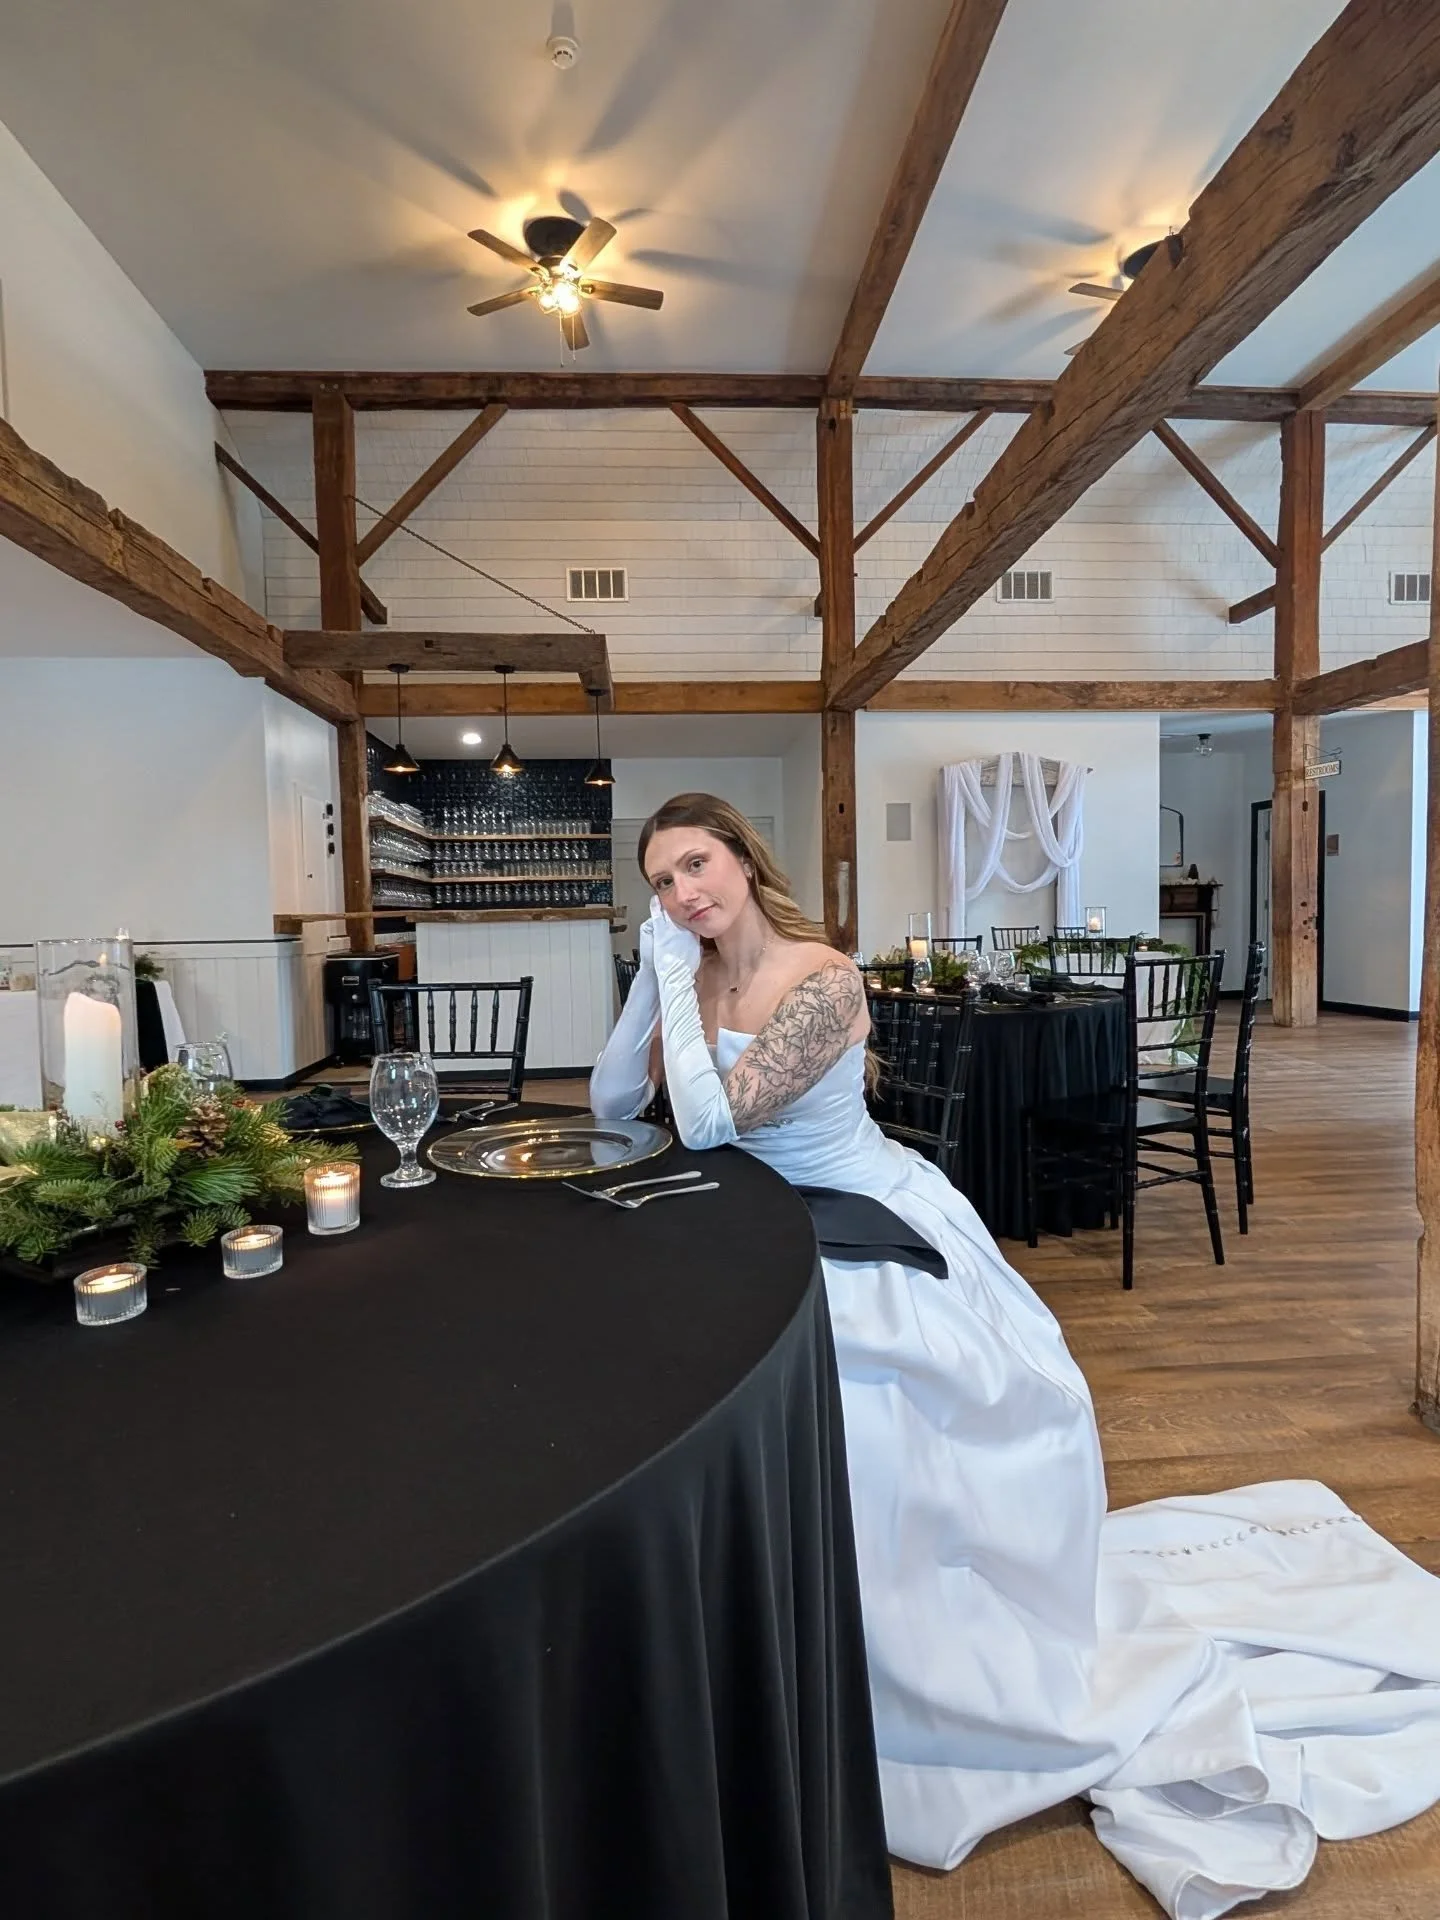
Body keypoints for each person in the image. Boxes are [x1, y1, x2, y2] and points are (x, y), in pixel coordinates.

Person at [590, 793, 1440, 1920]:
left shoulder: (824, 978)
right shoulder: (687, 975)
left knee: (880, 1444)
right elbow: (613, 1104)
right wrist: (656, 976)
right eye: (660, 882)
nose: (683, 894)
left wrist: (678, 992)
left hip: (859, 1223)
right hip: (751, 1233)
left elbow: (708, 1123)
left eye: (695, 865)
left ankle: (911, 1668)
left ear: (744, 859)